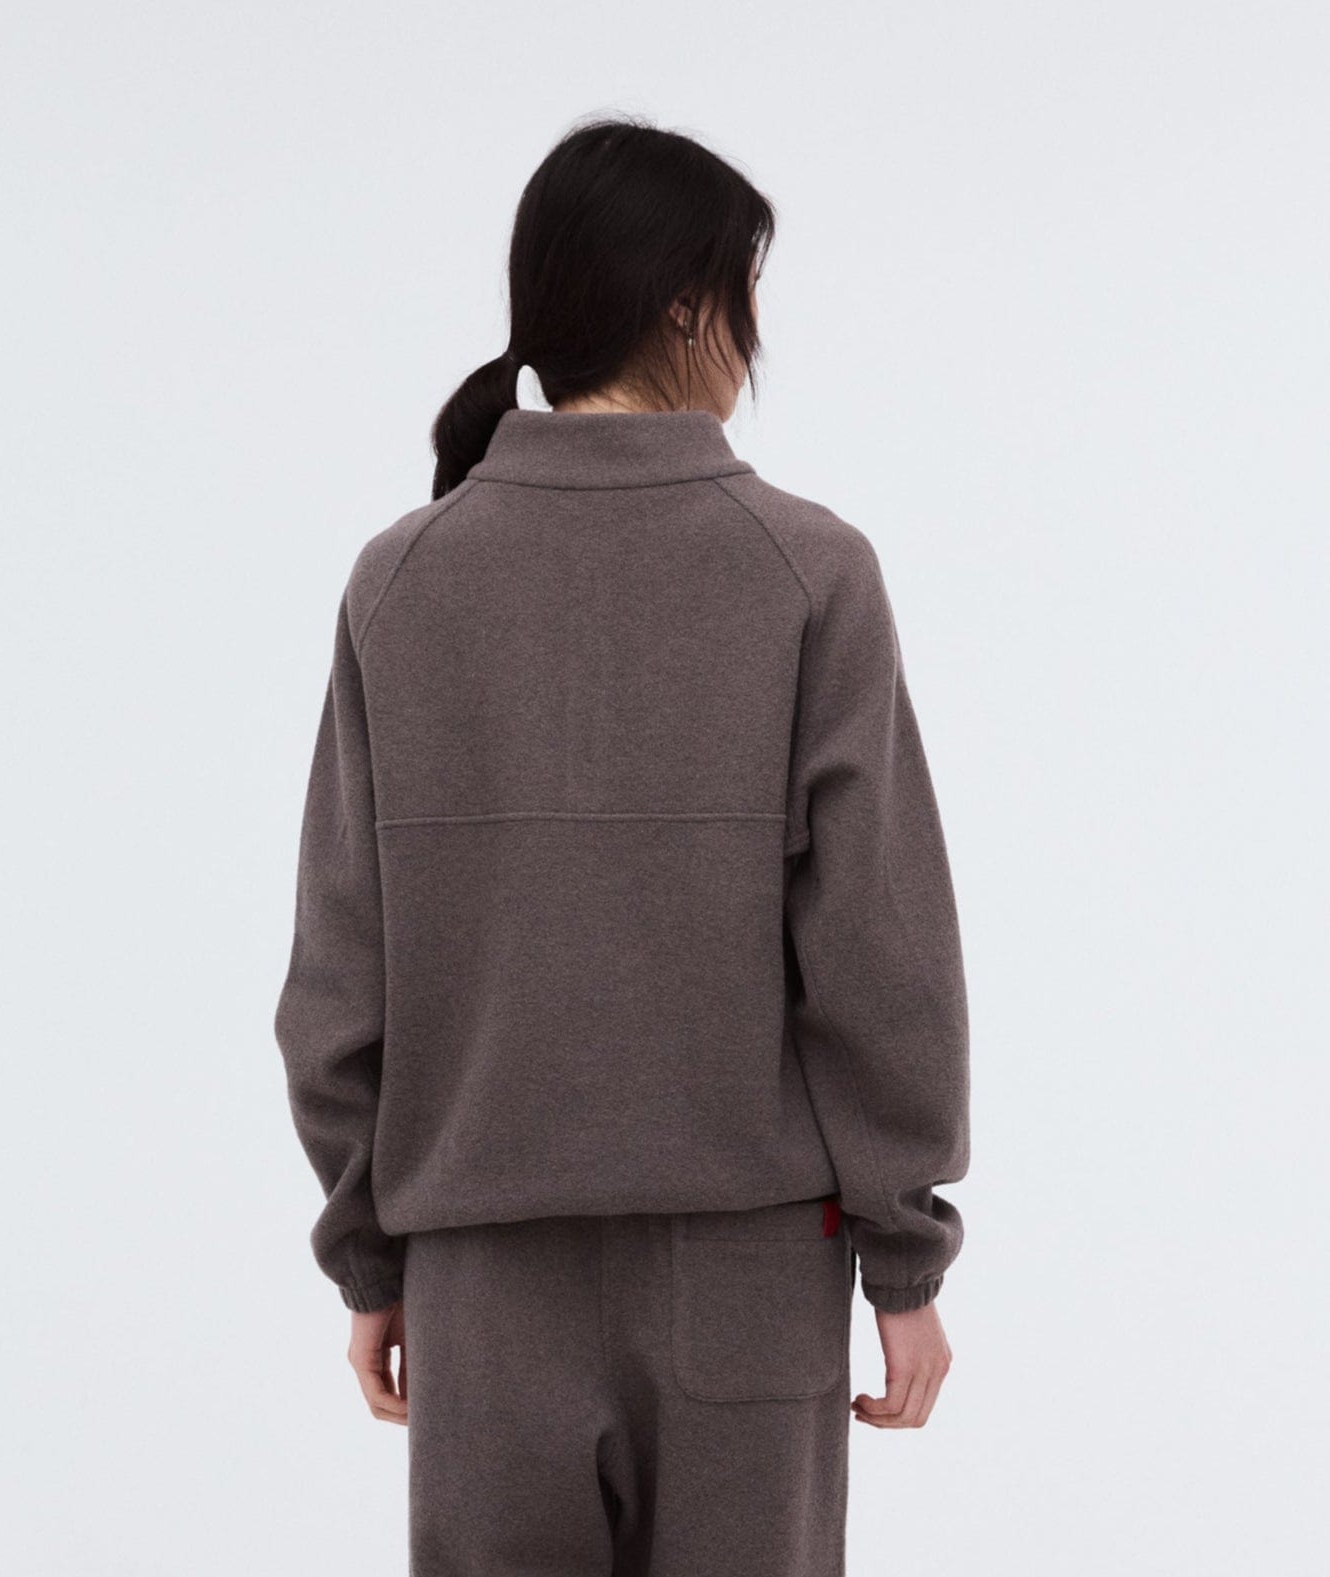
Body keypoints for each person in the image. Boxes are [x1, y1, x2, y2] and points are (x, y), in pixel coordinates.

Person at [274, 114, 970, 1577]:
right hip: (748, 1274)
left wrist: (370, 1255)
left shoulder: (403, 580)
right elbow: (876, 952)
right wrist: (904, 1257)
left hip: (482, 1279)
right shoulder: (807, 571)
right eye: (748, 292)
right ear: (688, 304)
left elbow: (341, 974)